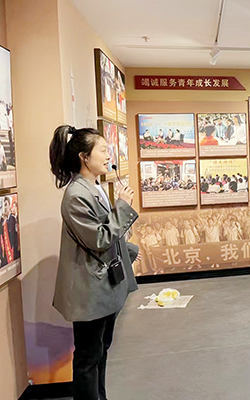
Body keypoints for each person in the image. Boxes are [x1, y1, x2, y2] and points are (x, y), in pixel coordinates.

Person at [49, 125, 139, 400]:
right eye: (103, 150)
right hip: (89, 290)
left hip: (102, 285)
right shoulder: (76, 195)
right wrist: (123, 206)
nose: (108, 154)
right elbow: (99, 239)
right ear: (84, 158)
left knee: (101, 349)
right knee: (88, 356)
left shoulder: (93, 187)